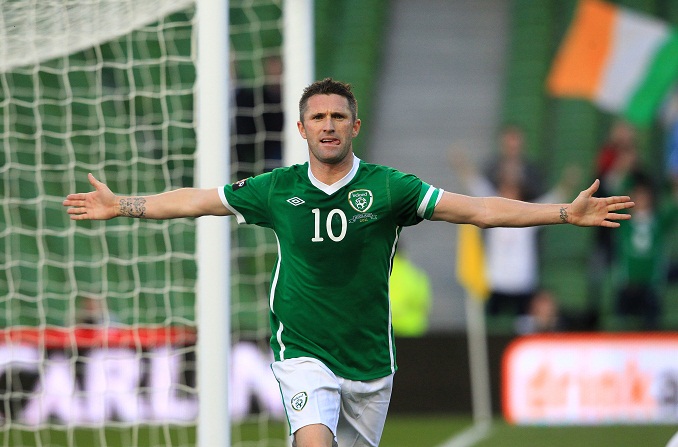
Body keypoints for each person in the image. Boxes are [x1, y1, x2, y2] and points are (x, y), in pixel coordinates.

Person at [63, 78, 634, 447]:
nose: (329, 125)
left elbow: (478, 210)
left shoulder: (390, 189)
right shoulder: (275, 189)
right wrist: (124, 206)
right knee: (315, 442)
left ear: (354, 126)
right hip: (302, 348)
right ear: (302, 128)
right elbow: (198, 201)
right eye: (319, 117)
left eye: (339, 116)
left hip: (368, 360)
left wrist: (563, 213)